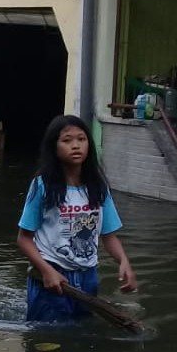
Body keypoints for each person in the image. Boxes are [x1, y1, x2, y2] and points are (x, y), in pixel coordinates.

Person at [17, 115, 137, 323]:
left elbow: (108, 235)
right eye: (67, 140)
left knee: (79, 331)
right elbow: (24, 239)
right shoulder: (42, 186)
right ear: (53, 147)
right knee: (47, 336)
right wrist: (47, 272)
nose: (75, 146)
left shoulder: (98, 188)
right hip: (51, 275)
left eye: (81, 139)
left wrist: (124, 261)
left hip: (87, 276)